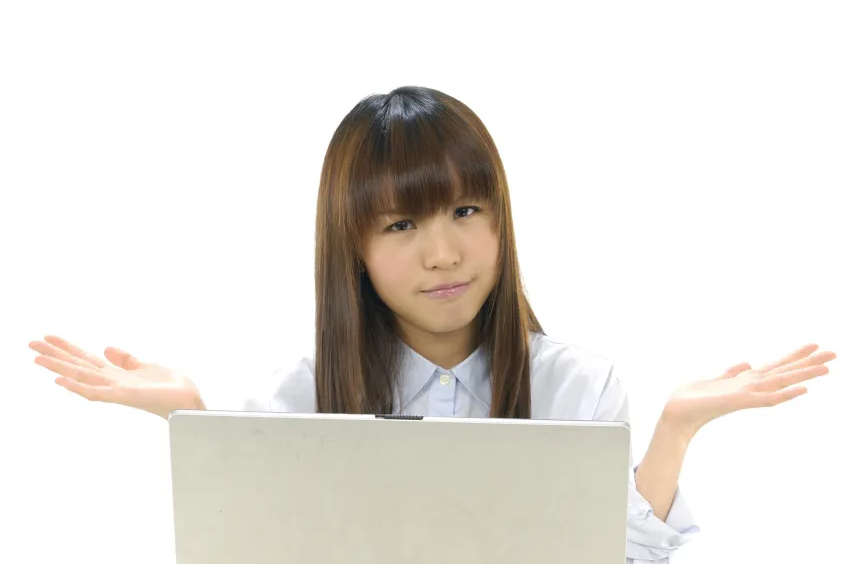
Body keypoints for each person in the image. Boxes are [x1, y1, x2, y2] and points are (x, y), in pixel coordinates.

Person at [29, 86, 836, 563]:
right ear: (354, 246)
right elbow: (252, 550)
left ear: (500, 217)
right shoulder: (295, 395)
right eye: (401, 224)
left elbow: (617, 560)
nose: (443, 252)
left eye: (465, 210)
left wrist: (675, 429)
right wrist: (192, 419)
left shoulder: (577, 385)